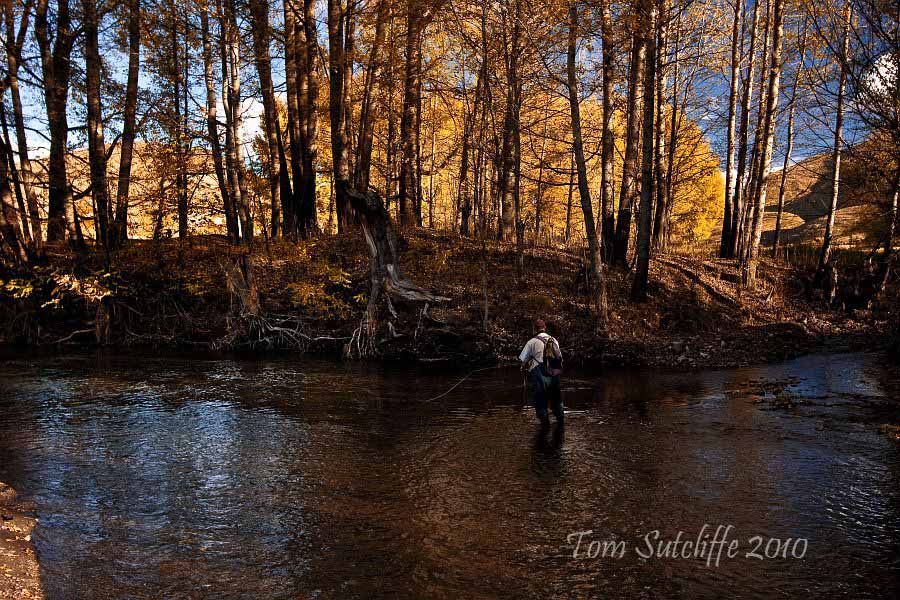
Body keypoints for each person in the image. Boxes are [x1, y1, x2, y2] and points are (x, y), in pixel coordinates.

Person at [519, 318, 563, 431]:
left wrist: (522, 367)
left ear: (534, 328)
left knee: (540, 400)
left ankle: (545, 427)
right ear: (545, 328)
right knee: (557, 399)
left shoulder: (531, 342)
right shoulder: (553, 340)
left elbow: (523, 359)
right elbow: (560, 358)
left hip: (539, 375)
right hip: (554, 373)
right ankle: (560, 424)